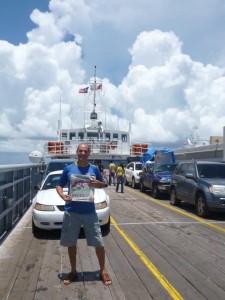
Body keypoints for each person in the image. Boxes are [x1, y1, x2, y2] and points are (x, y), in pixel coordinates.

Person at [56, 143, 112, 286]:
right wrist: (63, 196)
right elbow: (59, 185)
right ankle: (73, 271)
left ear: (89, 153)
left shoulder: (93, 169)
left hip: (89, 211)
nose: (82, 153)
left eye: (85, 151)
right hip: (71, 211)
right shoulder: (68, 168)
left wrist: (96, 183)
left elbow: (102, 184)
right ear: (77, 152)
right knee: (71, 243)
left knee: (99, 242)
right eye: (80, 151)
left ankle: (102, 271)